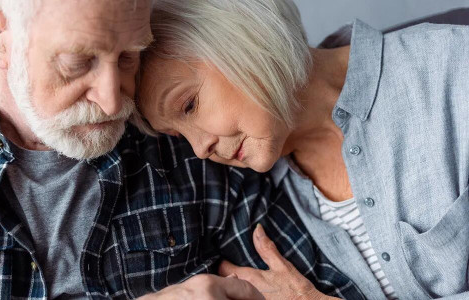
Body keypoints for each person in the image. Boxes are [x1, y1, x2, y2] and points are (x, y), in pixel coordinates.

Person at [0, 0, 364, 299]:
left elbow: (315, 286)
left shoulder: (178, 143)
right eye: (78, 62)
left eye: (129, 56)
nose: (113, 100)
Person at [137, 0, 469, 299]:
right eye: (177, 135)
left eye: (190, 105)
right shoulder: (271, 198)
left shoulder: (454, 69)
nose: (199, 148)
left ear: (244, 38)